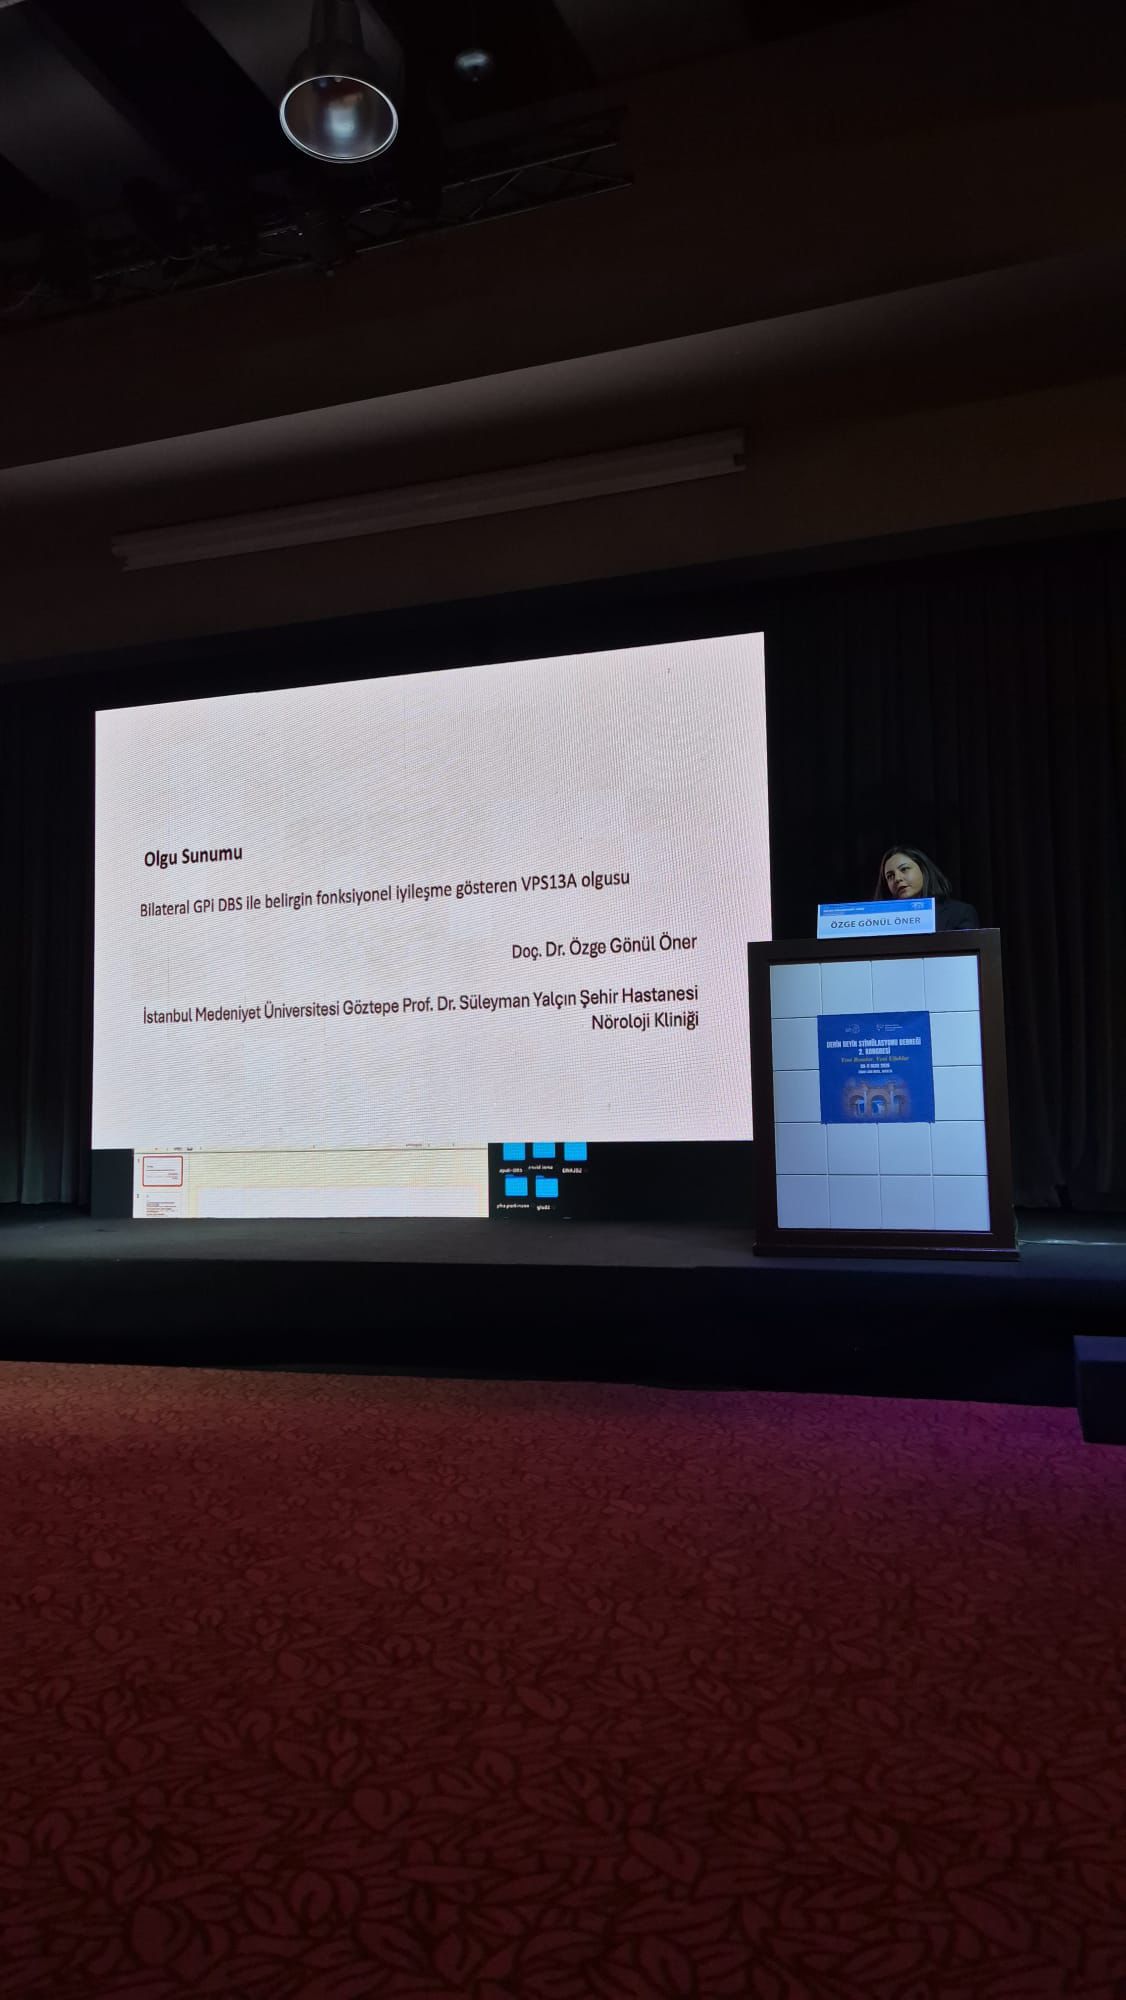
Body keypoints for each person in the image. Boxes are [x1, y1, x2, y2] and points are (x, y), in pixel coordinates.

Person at [875, 845, 979, 930]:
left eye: (904, 869)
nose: (897, 879)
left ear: (923, 870)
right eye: (890, 876)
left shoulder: (960, 913)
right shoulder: (880, 920)